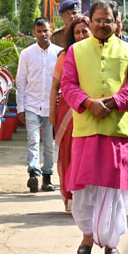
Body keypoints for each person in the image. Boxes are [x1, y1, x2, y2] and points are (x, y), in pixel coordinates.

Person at [61, 0, 128, 254]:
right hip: (86, 130)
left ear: (116, 22)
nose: (102, 24)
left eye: (107, 19)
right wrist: (88, 103)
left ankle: (111, 239)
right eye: (97, 19)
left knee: (116, 189)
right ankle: (87, 235)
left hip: (118, 130)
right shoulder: (75, 51)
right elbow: (68, 85)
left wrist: (113, 102)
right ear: (90, 20)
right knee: (85, 189)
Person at [50, 15, 91, 213]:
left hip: (93, 111)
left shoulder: (100, 53)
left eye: (85, 31)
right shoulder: (65, 55)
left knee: (88, 154)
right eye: (77, 32)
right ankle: (71, 197)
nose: (81, 35)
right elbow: (54, 87)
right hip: (68, 112)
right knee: (69, 153)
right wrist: (51, 114)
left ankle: (89, 197)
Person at [16, 18, 62, 193]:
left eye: (46, 31)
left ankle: (47, 177)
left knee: (49, 143)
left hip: (51, 106)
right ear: (34, 32)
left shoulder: (59, 53)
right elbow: (21, 82)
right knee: (33, 141)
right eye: (39, 31)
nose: (43, 34)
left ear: (51, 31)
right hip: (31, 105)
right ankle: (33, 174)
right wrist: (21, 108)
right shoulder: (26, 54)